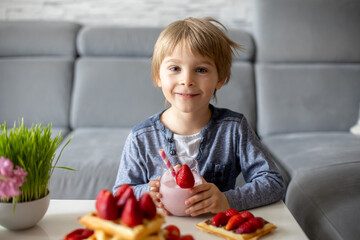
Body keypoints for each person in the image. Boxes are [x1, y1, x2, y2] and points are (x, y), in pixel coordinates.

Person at [113, 17, 285, 216]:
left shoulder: (234, 129)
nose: (187, 80)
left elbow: (273, 182)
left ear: (219, 79)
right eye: (175, 68)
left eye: (201, 70)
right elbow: (121, 193)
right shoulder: (141, 137)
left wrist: (227, 200)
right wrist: (145, 194)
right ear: (158, 76)